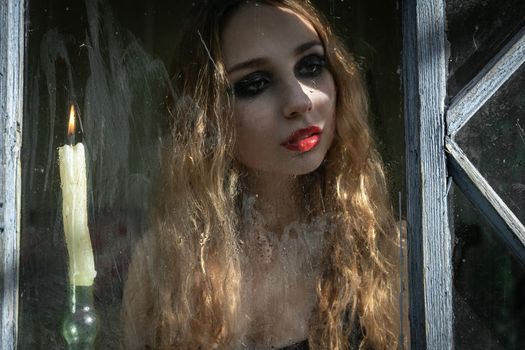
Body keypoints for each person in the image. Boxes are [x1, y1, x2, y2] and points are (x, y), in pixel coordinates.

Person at [121, 0, 403, 349]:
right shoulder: (163, 266)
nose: (299, 100)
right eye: (255, 83)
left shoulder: (387, 253)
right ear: (206, 116)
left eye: (311, 65)